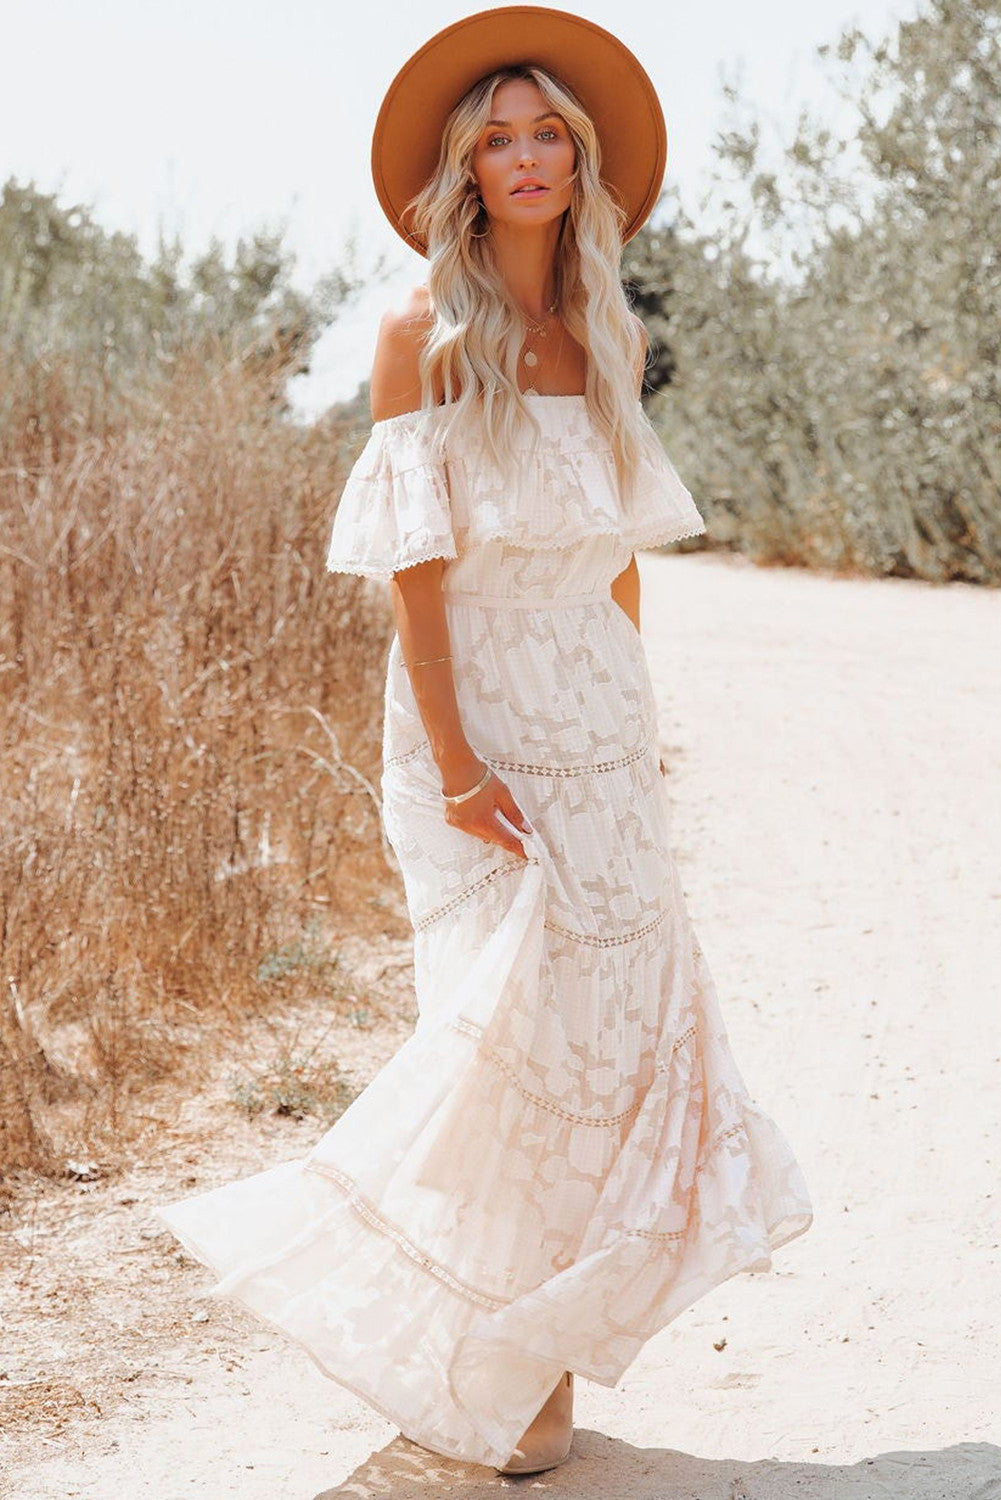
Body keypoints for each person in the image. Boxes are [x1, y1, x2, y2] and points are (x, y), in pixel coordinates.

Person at [153, 6, 814, 1478]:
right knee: (497, 1040)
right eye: (497, 138)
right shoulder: (425, 337)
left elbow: (621, 553)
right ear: (462, 169)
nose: (523, 158)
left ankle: (531, 1356)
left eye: (545, 135)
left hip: (597, 716)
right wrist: (459, 767)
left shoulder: (609, 327)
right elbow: (417, 580)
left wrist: (635, 728)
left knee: (615, 1036)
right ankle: (465, 1354)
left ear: (580, 163)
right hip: (476, 725)